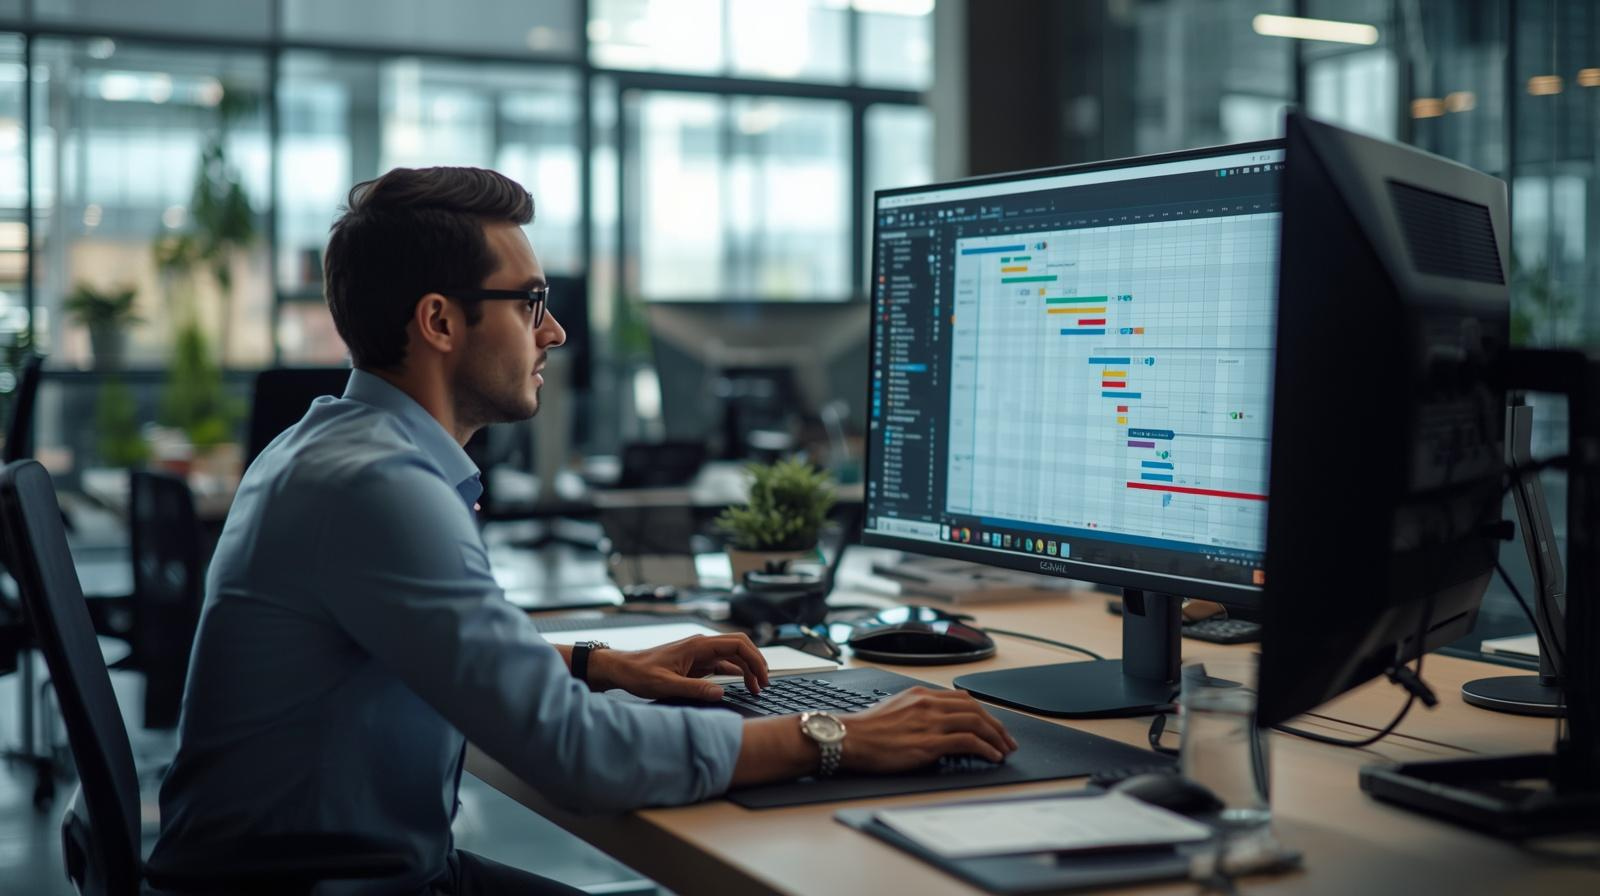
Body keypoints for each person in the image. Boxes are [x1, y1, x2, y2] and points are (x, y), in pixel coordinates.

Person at [147, 167, 1017, 895]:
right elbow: (576, 755)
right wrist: (835, 736)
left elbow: (406, 646)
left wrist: (596, 663)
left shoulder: (332, 444)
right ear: (440, 322)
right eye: (529, 304)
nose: (553, 332)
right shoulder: (378, 487)